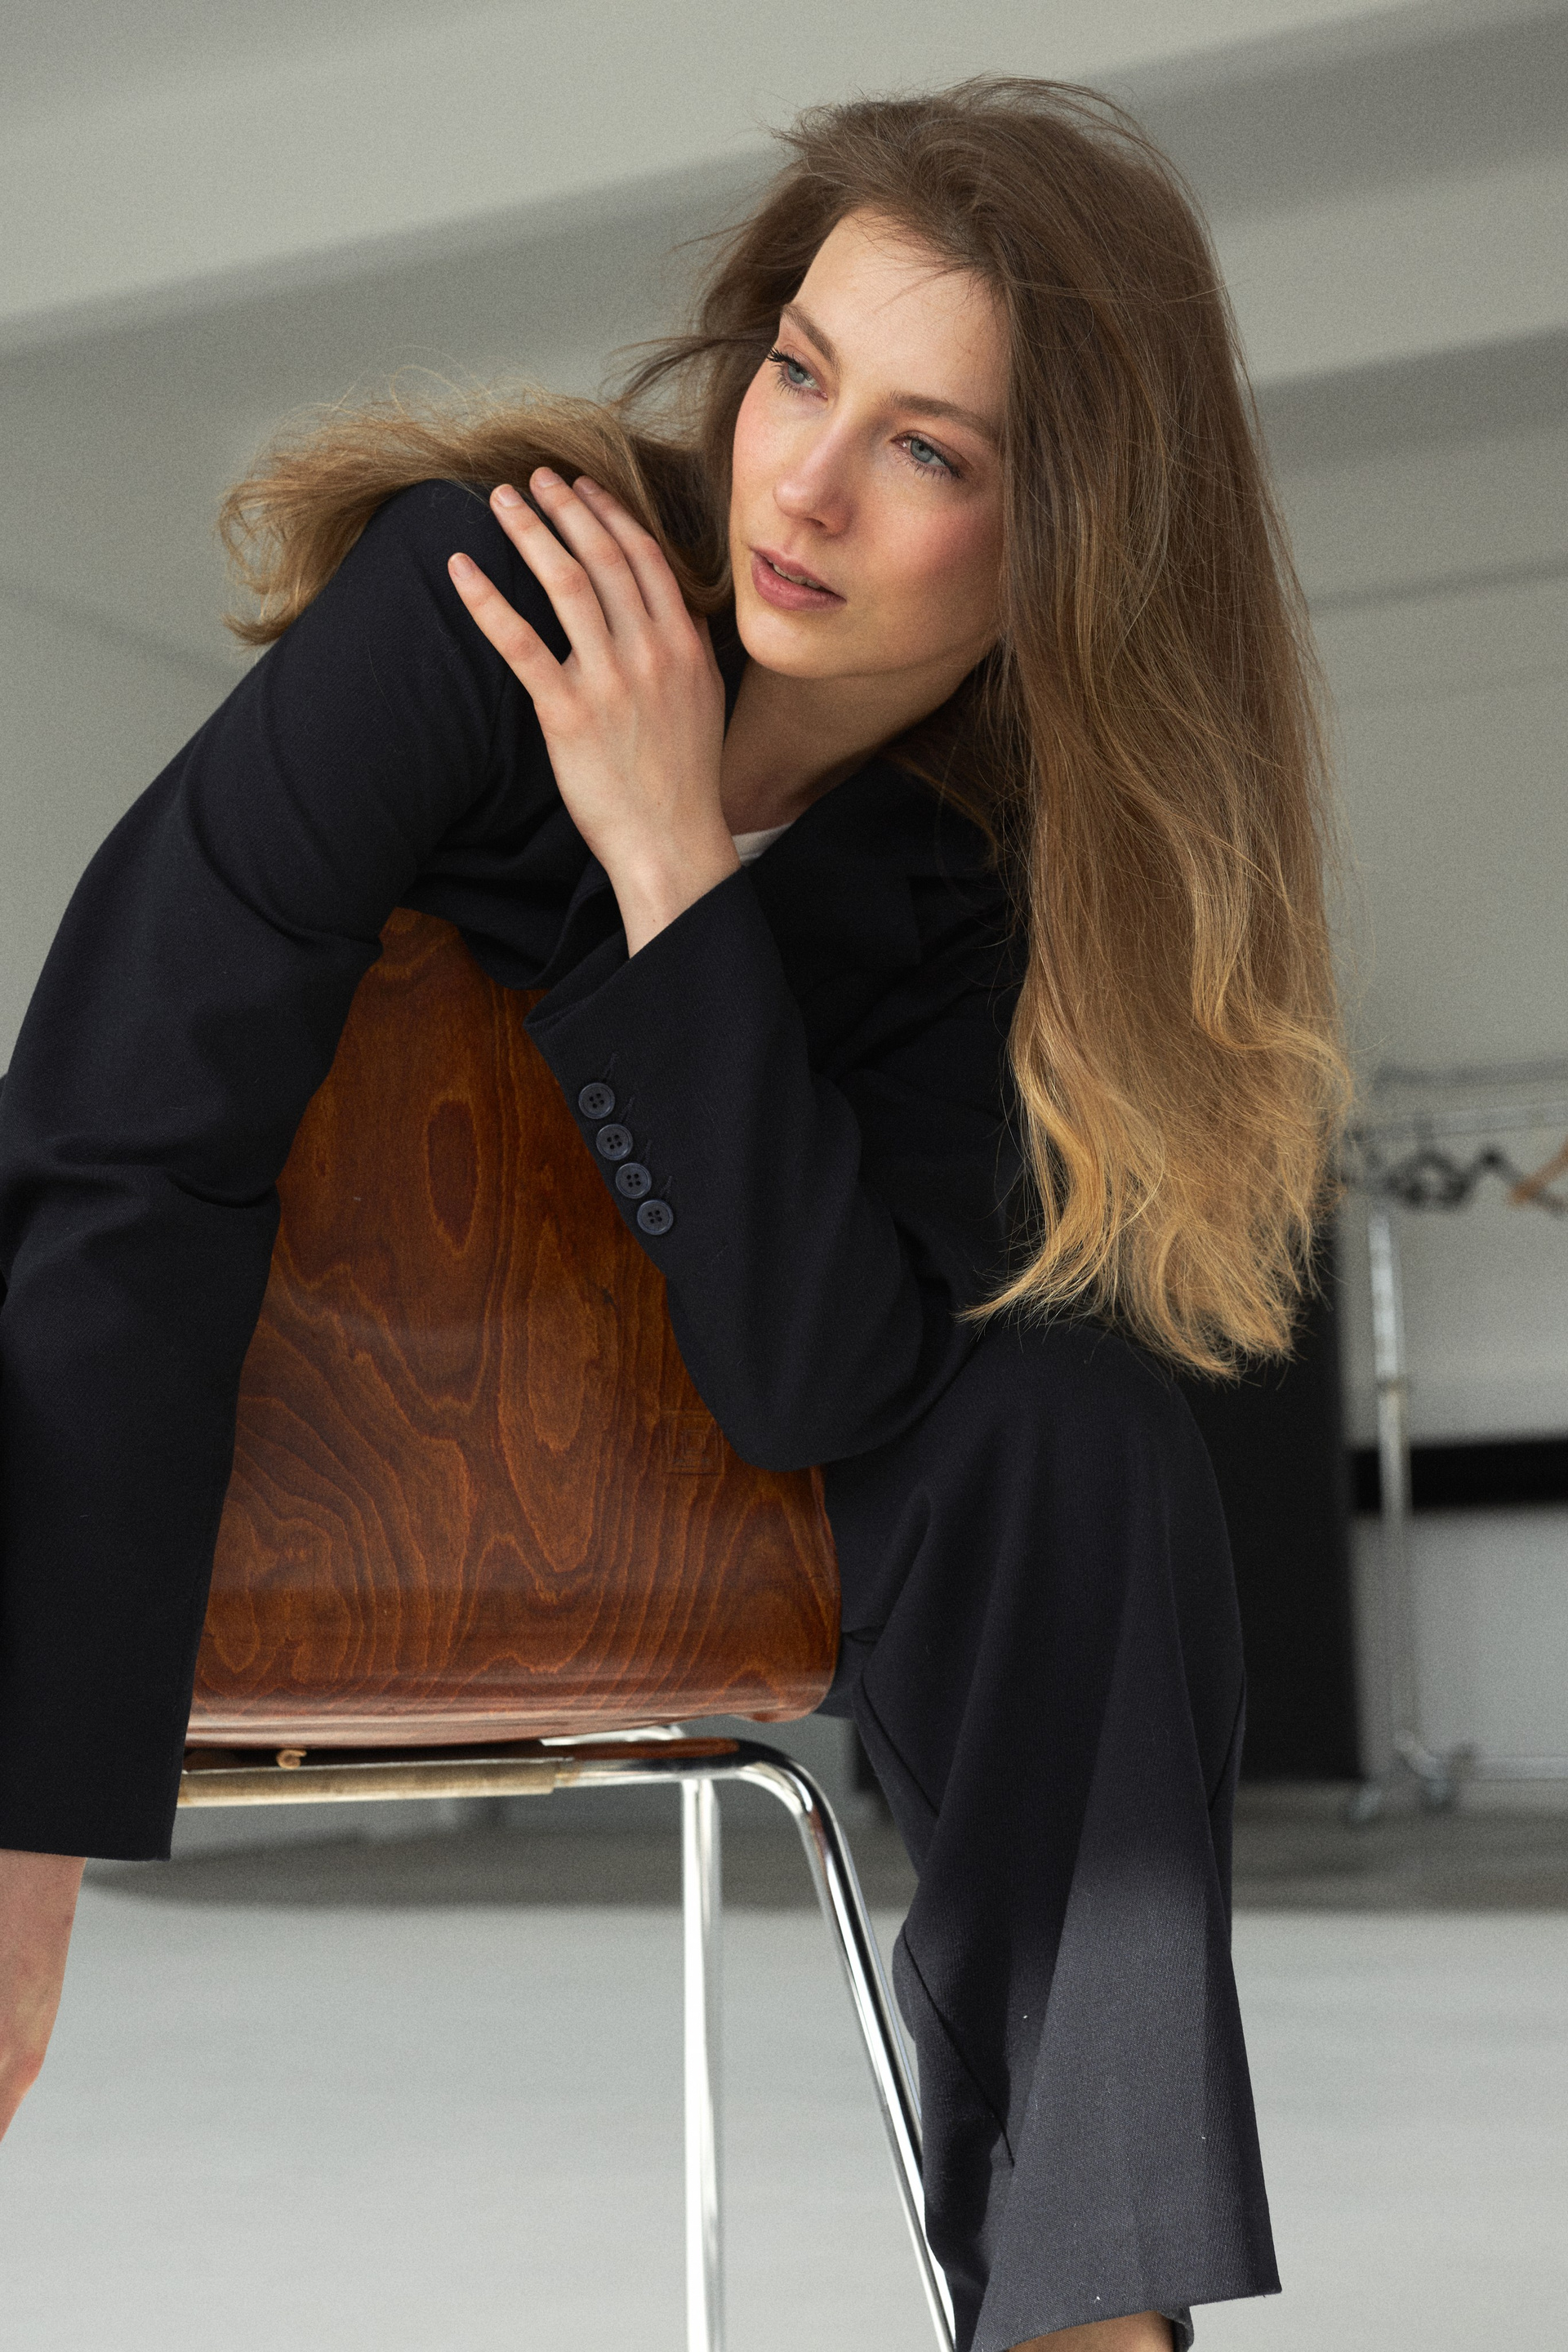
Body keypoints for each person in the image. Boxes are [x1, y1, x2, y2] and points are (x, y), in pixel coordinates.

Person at [0, 78, 1348, 2352]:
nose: (800, 486)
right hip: (209, 1485)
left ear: (1070, 538)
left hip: (669, 1503)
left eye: (929, 450)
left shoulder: (1003, 889)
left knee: (1074, 1429)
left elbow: (826, 1383)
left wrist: (671, 868)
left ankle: (1088, 2319)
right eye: (801, 375)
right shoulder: (485, 595)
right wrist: (18, 1834)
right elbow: (124, 1125)